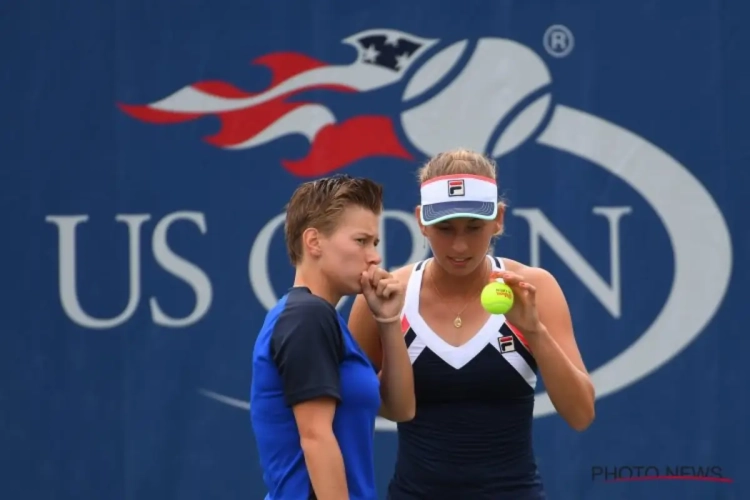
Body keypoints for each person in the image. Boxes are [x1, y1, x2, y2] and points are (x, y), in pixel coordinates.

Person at [348, 149, 596, 499]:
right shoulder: (385, 298)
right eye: (445, 228)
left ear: (499, 219)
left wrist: (535, 331)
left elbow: (581, 414)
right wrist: (389, 326)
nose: (460, 245)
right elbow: (360, 412)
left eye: (474, 227)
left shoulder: (535, 287)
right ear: (421, 220)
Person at [250, 174, 416, 500]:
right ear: (313, 242)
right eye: (361, 241)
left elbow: (401, 408)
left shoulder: (323, 319)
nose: (374, 256)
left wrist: (387, 319)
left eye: (375, 243)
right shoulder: (308, 316)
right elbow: (315, 437)